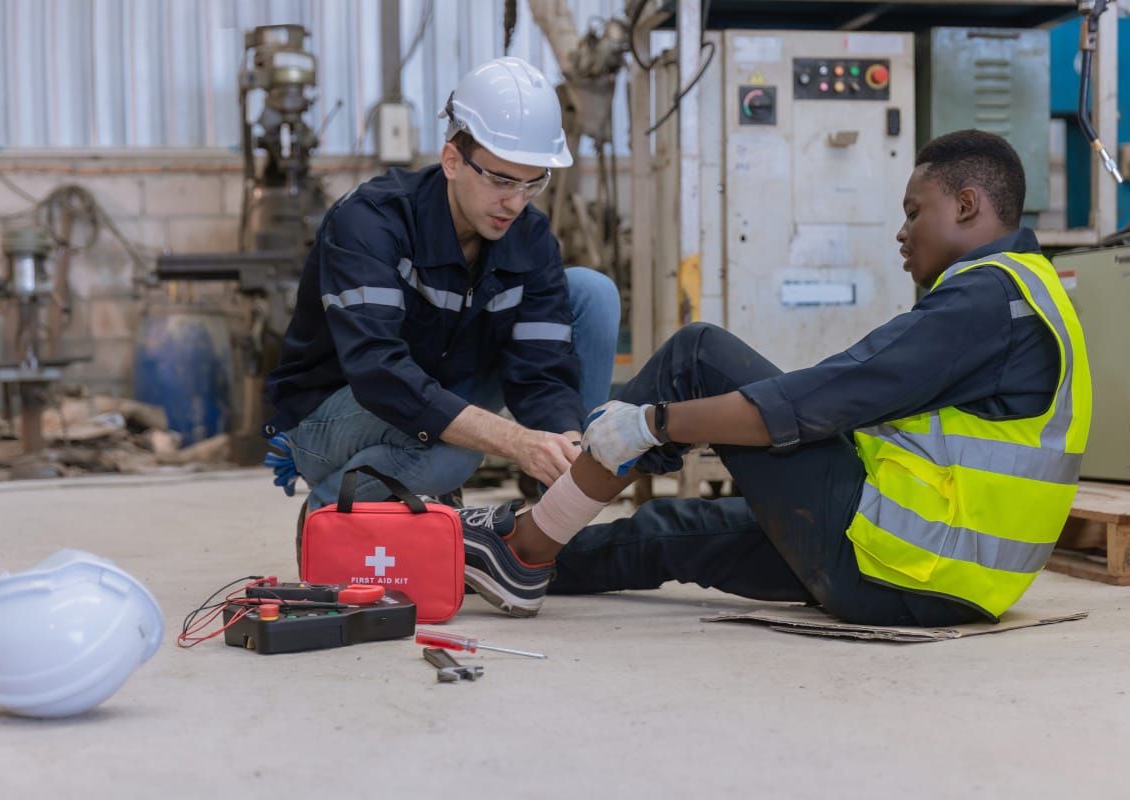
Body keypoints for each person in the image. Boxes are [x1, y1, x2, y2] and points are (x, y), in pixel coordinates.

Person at [457, 128, 1091, 624]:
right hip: (935, 581)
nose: (901, 234)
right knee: (676, 534)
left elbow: (829, 396)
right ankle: (497, 560)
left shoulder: (986, 300)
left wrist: (653, 423)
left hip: (896, 562)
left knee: (696, 355)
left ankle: (531, 538)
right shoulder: (1031, 295)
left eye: (913, 212)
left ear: (968, 204)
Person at [262, 56, 620, 516]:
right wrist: (513, 440)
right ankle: (329, 512)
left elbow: (541, 372)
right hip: (335, 409)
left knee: (593, 293)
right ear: (452, 160)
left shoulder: (528, 236)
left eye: (533, 184)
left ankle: (558, 505)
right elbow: (379, 372)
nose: (514, 203)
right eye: (501, 180)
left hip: (443, 384)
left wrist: (564, 445)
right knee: (454, 453)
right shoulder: (371, 222)